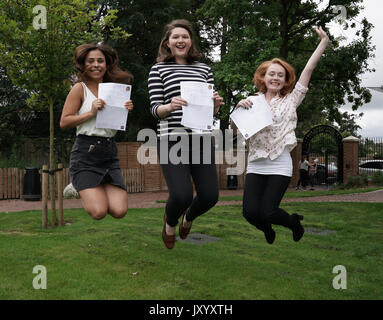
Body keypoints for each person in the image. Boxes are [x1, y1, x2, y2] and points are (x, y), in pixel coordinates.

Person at [236, 26, 329, 244]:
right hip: (256, 162)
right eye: (272, 74)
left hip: (279, 163)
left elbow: (308, 69)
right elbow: (239, 127)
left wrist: (323, 42)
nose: (276, 78)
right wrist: (238, 108)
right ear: (263, 77)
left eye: (281, 75)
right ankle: (268, 229)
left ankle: (293, 222)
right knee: (250, 213)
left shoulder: (291, 99)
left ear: (285, 79)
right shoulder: (251, 101)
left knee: (268, 210)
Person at [148, 19, 224, 249]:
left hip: (201, 137)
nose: (180, 40)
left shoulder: (205, 69)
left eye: (185, 37)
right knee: (181, 195)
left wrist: (217, 105)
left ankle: (188, 218)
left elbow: (210, 111)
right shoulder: (158, 69)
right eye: (175, 37)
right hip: (172, 138)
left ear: (190, 41)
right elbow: (154, 109)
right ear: (167, 43)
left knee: (210, 196)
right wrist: (169, 106)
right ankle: (170, 222)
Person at [60, 43, 134, 220]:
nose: (96, 65)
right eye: (90, 61)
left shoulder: (114, 90)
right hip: (86, 151)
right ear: (83, 64)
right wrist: (90, 113)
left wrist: (125, 110)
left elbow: (112, 125)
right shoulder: (80, 88)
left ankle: (87, 186)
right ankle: (78, 185)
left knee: (119, 211)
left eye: (100, 61)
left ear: (106, 65)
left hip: (109, 152)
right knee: (98, 212)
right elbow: (64, 122)